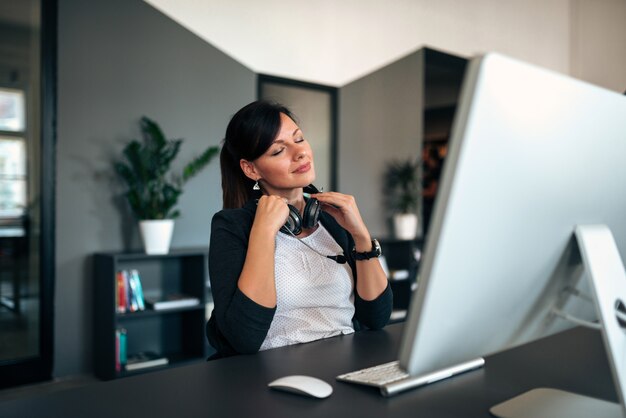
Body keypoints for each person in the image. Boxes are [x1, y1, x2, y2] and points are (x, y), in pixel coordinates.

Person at [206, 100, 393, 358]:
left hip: (343, 364)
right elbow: (244, 338)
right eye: (278, 151)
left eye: (299, 139)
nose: (300, 153)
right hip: (269, 378)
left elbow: (377, 318)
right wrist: (263, 232)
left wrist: (361, 236)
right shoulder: (232, 226)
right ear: (251, 169)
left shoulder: (333, 219)